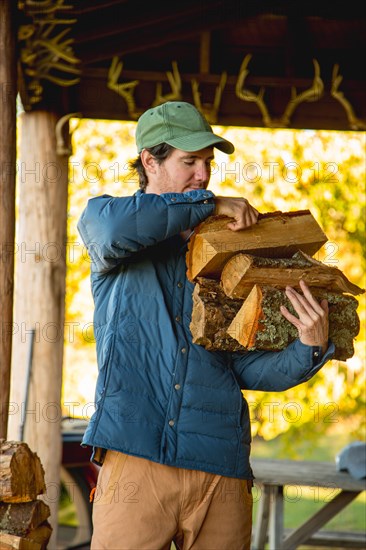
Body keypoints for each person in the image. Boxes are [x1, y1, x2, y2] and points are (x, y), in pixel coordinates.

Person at [77, 101, 335, 550]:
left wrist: (309, 347)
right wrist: (207, 203)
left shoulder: (226, 252)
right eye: (189, 162)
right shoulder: (110, 228)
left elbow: (243, 368)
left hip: (221, 469)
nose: (203, 175)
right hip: (136, 463)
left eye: (208, 165)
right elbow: (110, 228)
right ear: (149, 161)